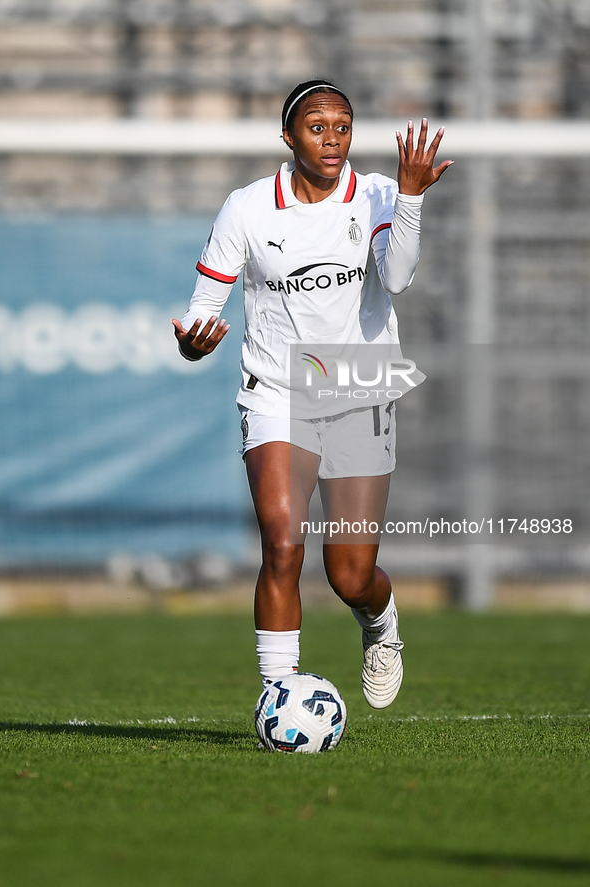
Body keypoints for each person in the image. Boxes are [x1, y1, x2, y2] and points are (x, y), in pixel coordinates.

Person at [172, 80, 451, 709]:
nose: (333, 139)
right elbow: (203, 308)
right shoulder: (246, 208)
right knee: (281, 542)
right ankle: (280, 698)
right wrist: (194, 342)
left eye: (343, 127)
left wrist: (409, 198)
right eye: (318, 127)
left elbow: (399, 279)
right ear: (288, 136)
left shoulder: (380, 192)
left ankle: (380, 624)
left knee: (350, 575)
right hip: (277, 389)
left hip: (358, 385)